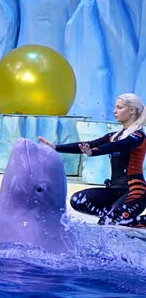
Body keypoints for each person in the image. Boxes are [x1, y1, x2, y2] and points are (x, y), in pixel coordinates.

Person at [38, 93, 146, 227]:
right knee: (79, 200)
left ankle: (124, 219)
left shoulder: (138, 136)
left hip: (134, 192)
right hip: (114, 190)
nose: (114, 111)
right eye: (115, 107)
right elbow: (88, 144)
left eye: (119, 108)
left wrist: (93, 152)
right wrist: (55, 147)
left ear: (131, 110)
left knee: (108, 224)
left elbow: (117, 146)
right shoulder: (114, 136)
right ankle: (115, 216)